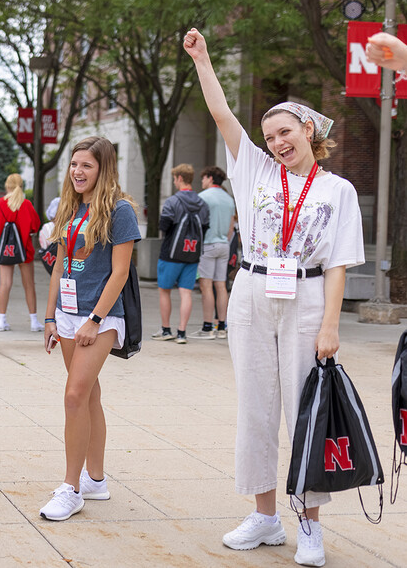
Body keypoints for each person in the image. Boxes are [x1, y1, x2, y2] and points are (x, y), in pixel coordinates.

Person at [185, 28, 366, 567]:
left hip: (309, 298)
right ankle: (265, 517)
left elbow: (337, 264)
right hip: (252, 292)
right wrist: (203, 59)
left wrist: (330, 326)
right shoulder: (254, 170)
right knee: (256, 408)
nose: (277, 143)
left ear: (309, 129)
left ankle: (310, 524)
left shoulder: (339, 191)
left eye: (285, 132)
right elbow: (220, 114)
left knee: (304, 412)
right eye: (269, 137)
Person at [39, 136, 140, 521]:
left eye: (87, 166)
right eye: (74, 164)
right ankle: (95, 479)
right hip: (65, 313)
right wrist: (49, 317)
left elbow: (120, 272)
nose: (78, 172)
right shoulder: (69, 206)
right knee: (89, 396)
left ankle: (71, 488)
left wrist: (94, 321)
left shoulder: (120, 210)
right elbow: (59, 267)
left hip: (100, 316)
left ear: (103, 169)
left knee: (73, 396)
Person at [151, 164, 208, 345]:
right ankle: (182, 332)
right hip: (192, 254)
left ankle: (166, 329)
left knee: (164, 291)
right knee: (186, 293)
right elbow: (205, 227)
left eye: (175, 179)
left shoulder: (172, 202)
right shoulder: (202, 204)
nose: (175, 182)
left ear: (180, 178)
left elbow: (164, 226)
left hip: (171, 253)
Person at [191, 166, 235, 340]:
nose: (202, 182)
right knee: (221, 285)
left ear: (209, 178)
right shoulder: (229, 199)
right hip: (224, 244)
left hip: (207, 245)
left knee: (206, 286)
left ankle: (207, 327)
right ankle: (222, 326)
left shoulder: (202, 198)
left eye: (203, 178)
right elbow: (231, 228)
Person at [0, 173, 43, 332]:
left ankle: (2, 320)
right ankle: (34, 321)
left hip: (7, 249)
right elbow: (35, 225)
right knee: (29, 285)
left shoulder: (0, 203)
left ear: (7, 186)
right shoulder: (27, 204)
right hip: (25, 248)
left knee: (5, 284)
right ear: (21, 186)